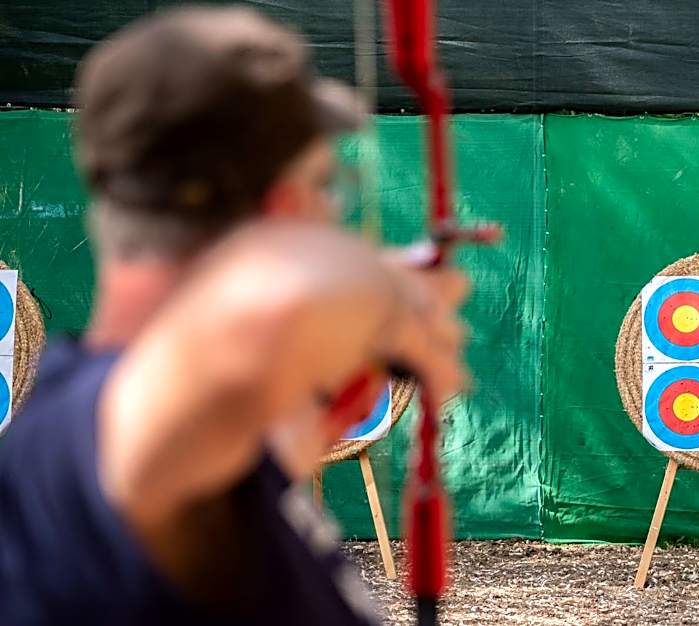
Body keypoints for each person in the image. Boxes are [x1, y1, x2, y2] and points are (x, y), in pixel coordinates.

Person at [0, 6, 468, 626]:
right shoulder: (87, 439)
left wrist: (326, 399)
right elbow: (218, 357)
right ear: (284, 207)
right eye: (328, 186)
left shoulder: (183, 461)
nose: (334, 214)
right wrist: (377, 294)